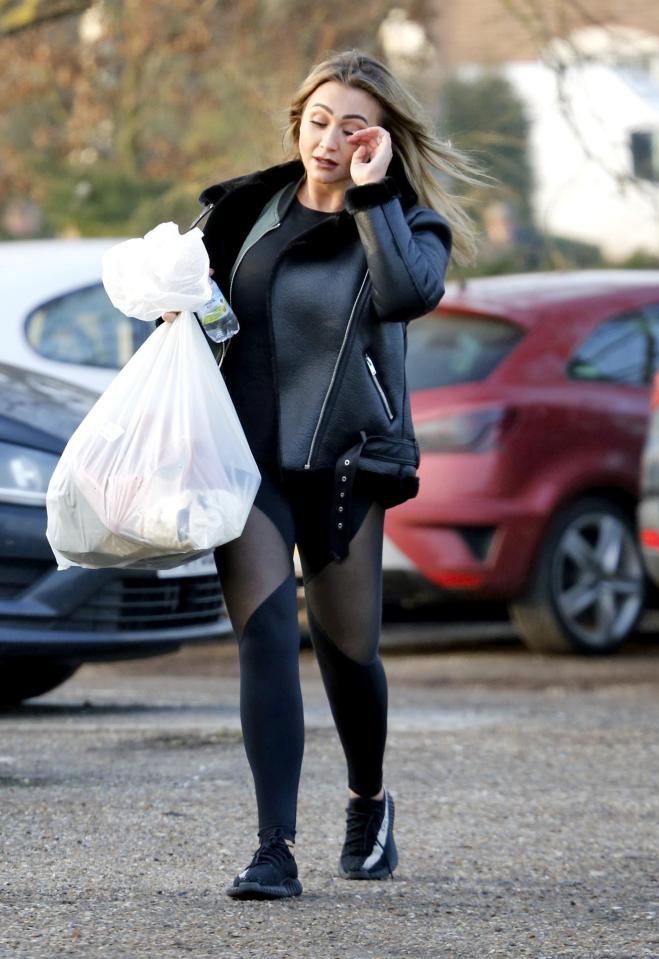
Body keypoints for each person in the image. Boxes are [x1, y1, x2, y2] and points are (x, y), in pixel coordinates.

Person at [172, 49, 479, 900]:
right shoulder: (242, 211)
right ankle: (273, 846)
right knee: (267, 633)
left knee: (349, 652)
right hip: (248, 459)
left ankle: (368, 797)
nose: (330, 139)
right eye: (318, 121)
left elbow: (402, 297)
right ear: (296, 123)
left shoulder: (407, 224)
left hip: (346, 457)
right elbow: (199, 311)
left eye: (353, 126)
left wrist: (374, 193)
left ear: (380, 138)